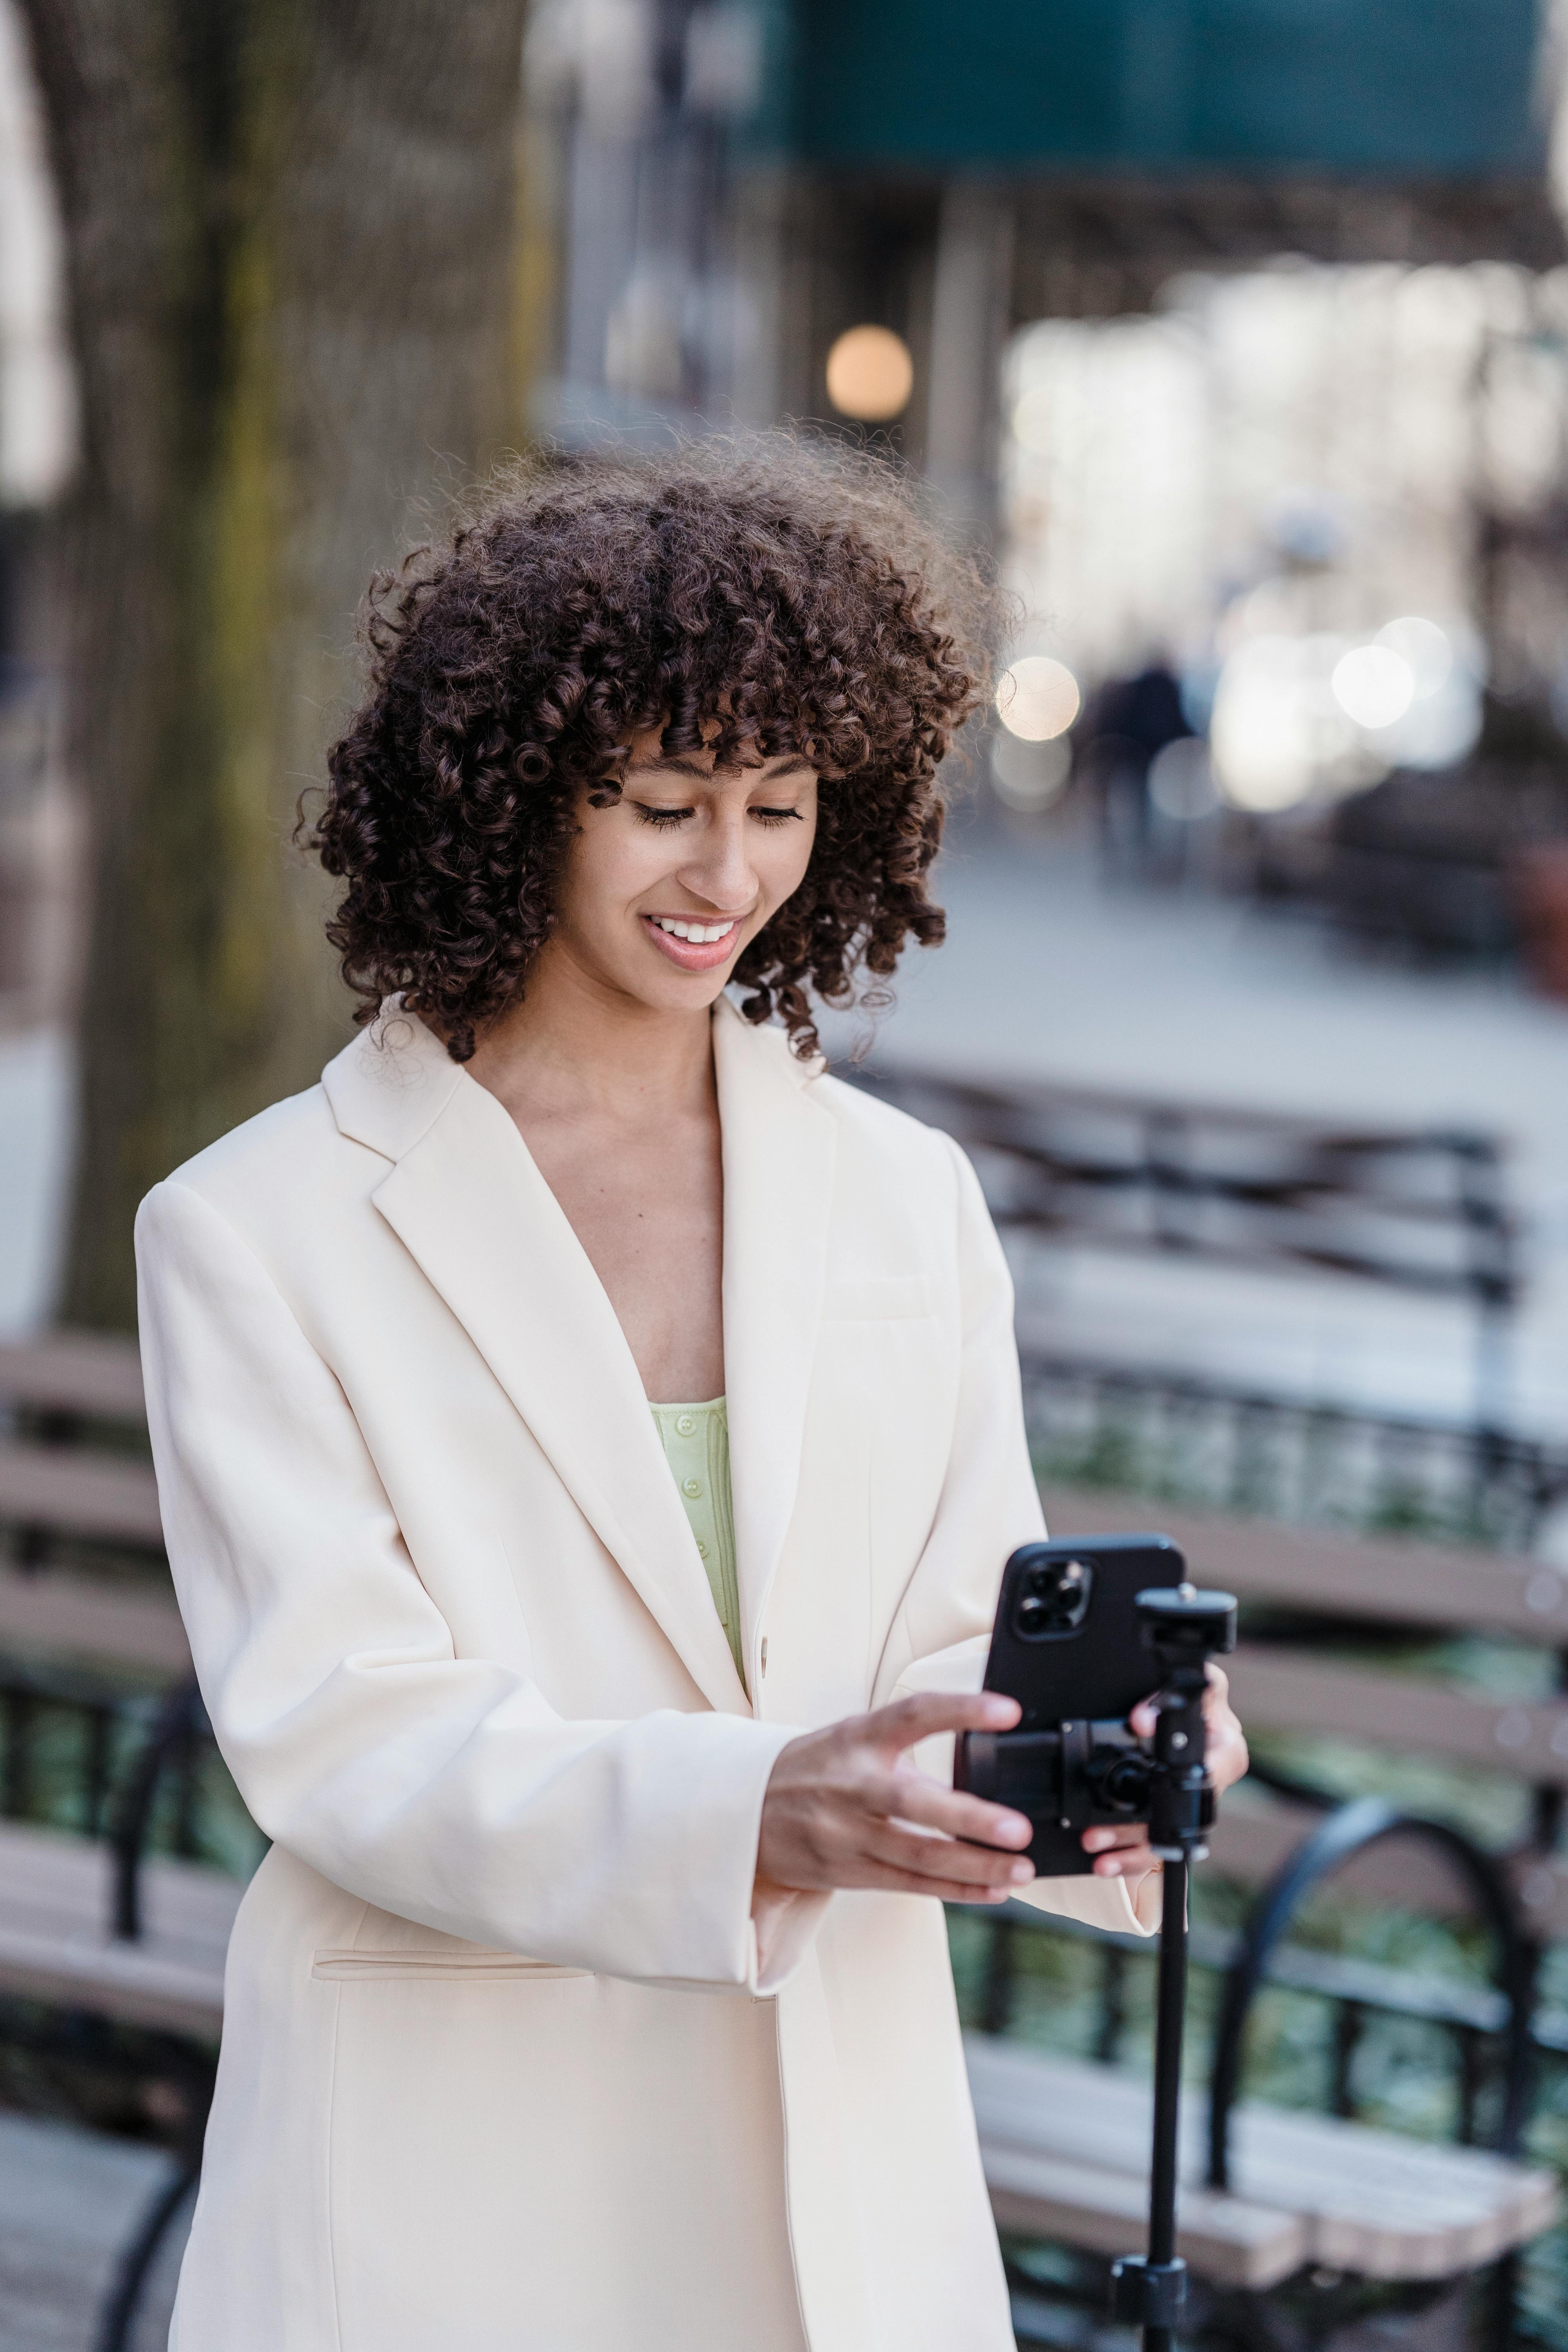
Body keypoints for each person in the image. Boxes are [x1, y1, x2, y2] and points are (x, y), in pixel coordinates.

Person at [136, 442, 1247, 2352]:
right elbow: (347, 1738)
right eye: (661, 804)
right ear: (508, 804)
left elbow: (956, 1630)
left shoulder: (907, 1198)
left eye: (781, 805)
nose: (727, 873)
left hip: (843, 2176)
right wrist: (766, 1812)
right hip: (444, 2181)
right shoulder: (254, 1228)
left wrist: (1085, 1754)